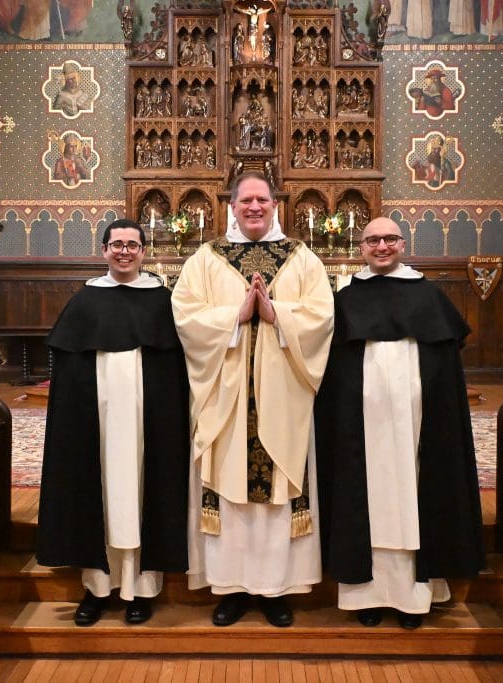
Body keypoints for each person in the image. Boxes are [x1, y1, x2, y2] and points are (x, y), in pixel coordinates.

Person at [171, 172, 334, 627]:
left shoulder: (303, 259)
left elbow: (322, 317)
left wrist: (275, 313)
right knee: (229, 494)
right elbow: (186, 317)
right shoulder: (205, 259)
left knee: (279, 492)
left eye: (263, 199)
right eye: (247, 200)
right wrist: (235, 316)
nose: (255, 207)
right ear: (233, 206)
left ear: (275, 205)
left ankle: (277, 589)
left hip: (282, 398)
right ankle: (233, 589)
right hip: (226, 398)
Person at [314, 217, 485, 629]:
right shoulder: (346, 296)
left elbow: (445, 367)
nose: (382, 246)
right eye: (372, 240)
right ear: (361, 247)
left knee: (414, 493)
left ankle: (414, 596)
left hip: (418, 420)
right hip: (362, 420)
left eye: (389, 238)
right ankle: (365, 595)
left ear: (402, 243)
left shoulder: (427, 295)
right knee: (365, 495)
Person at [36, 219, 190, 627]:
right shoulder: (85, 300)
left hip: (147, 420)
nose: (124, 251)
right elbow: (67, 375)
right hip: (96, 420)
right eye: (116, 244)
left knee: (143, 491)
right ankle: (97, 588)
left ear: (144, 251)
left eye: (132, 245)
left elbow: (176, 368)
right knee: (97, 493)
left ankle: (142, 589)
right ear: (104, 250)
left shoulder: (161, 300)